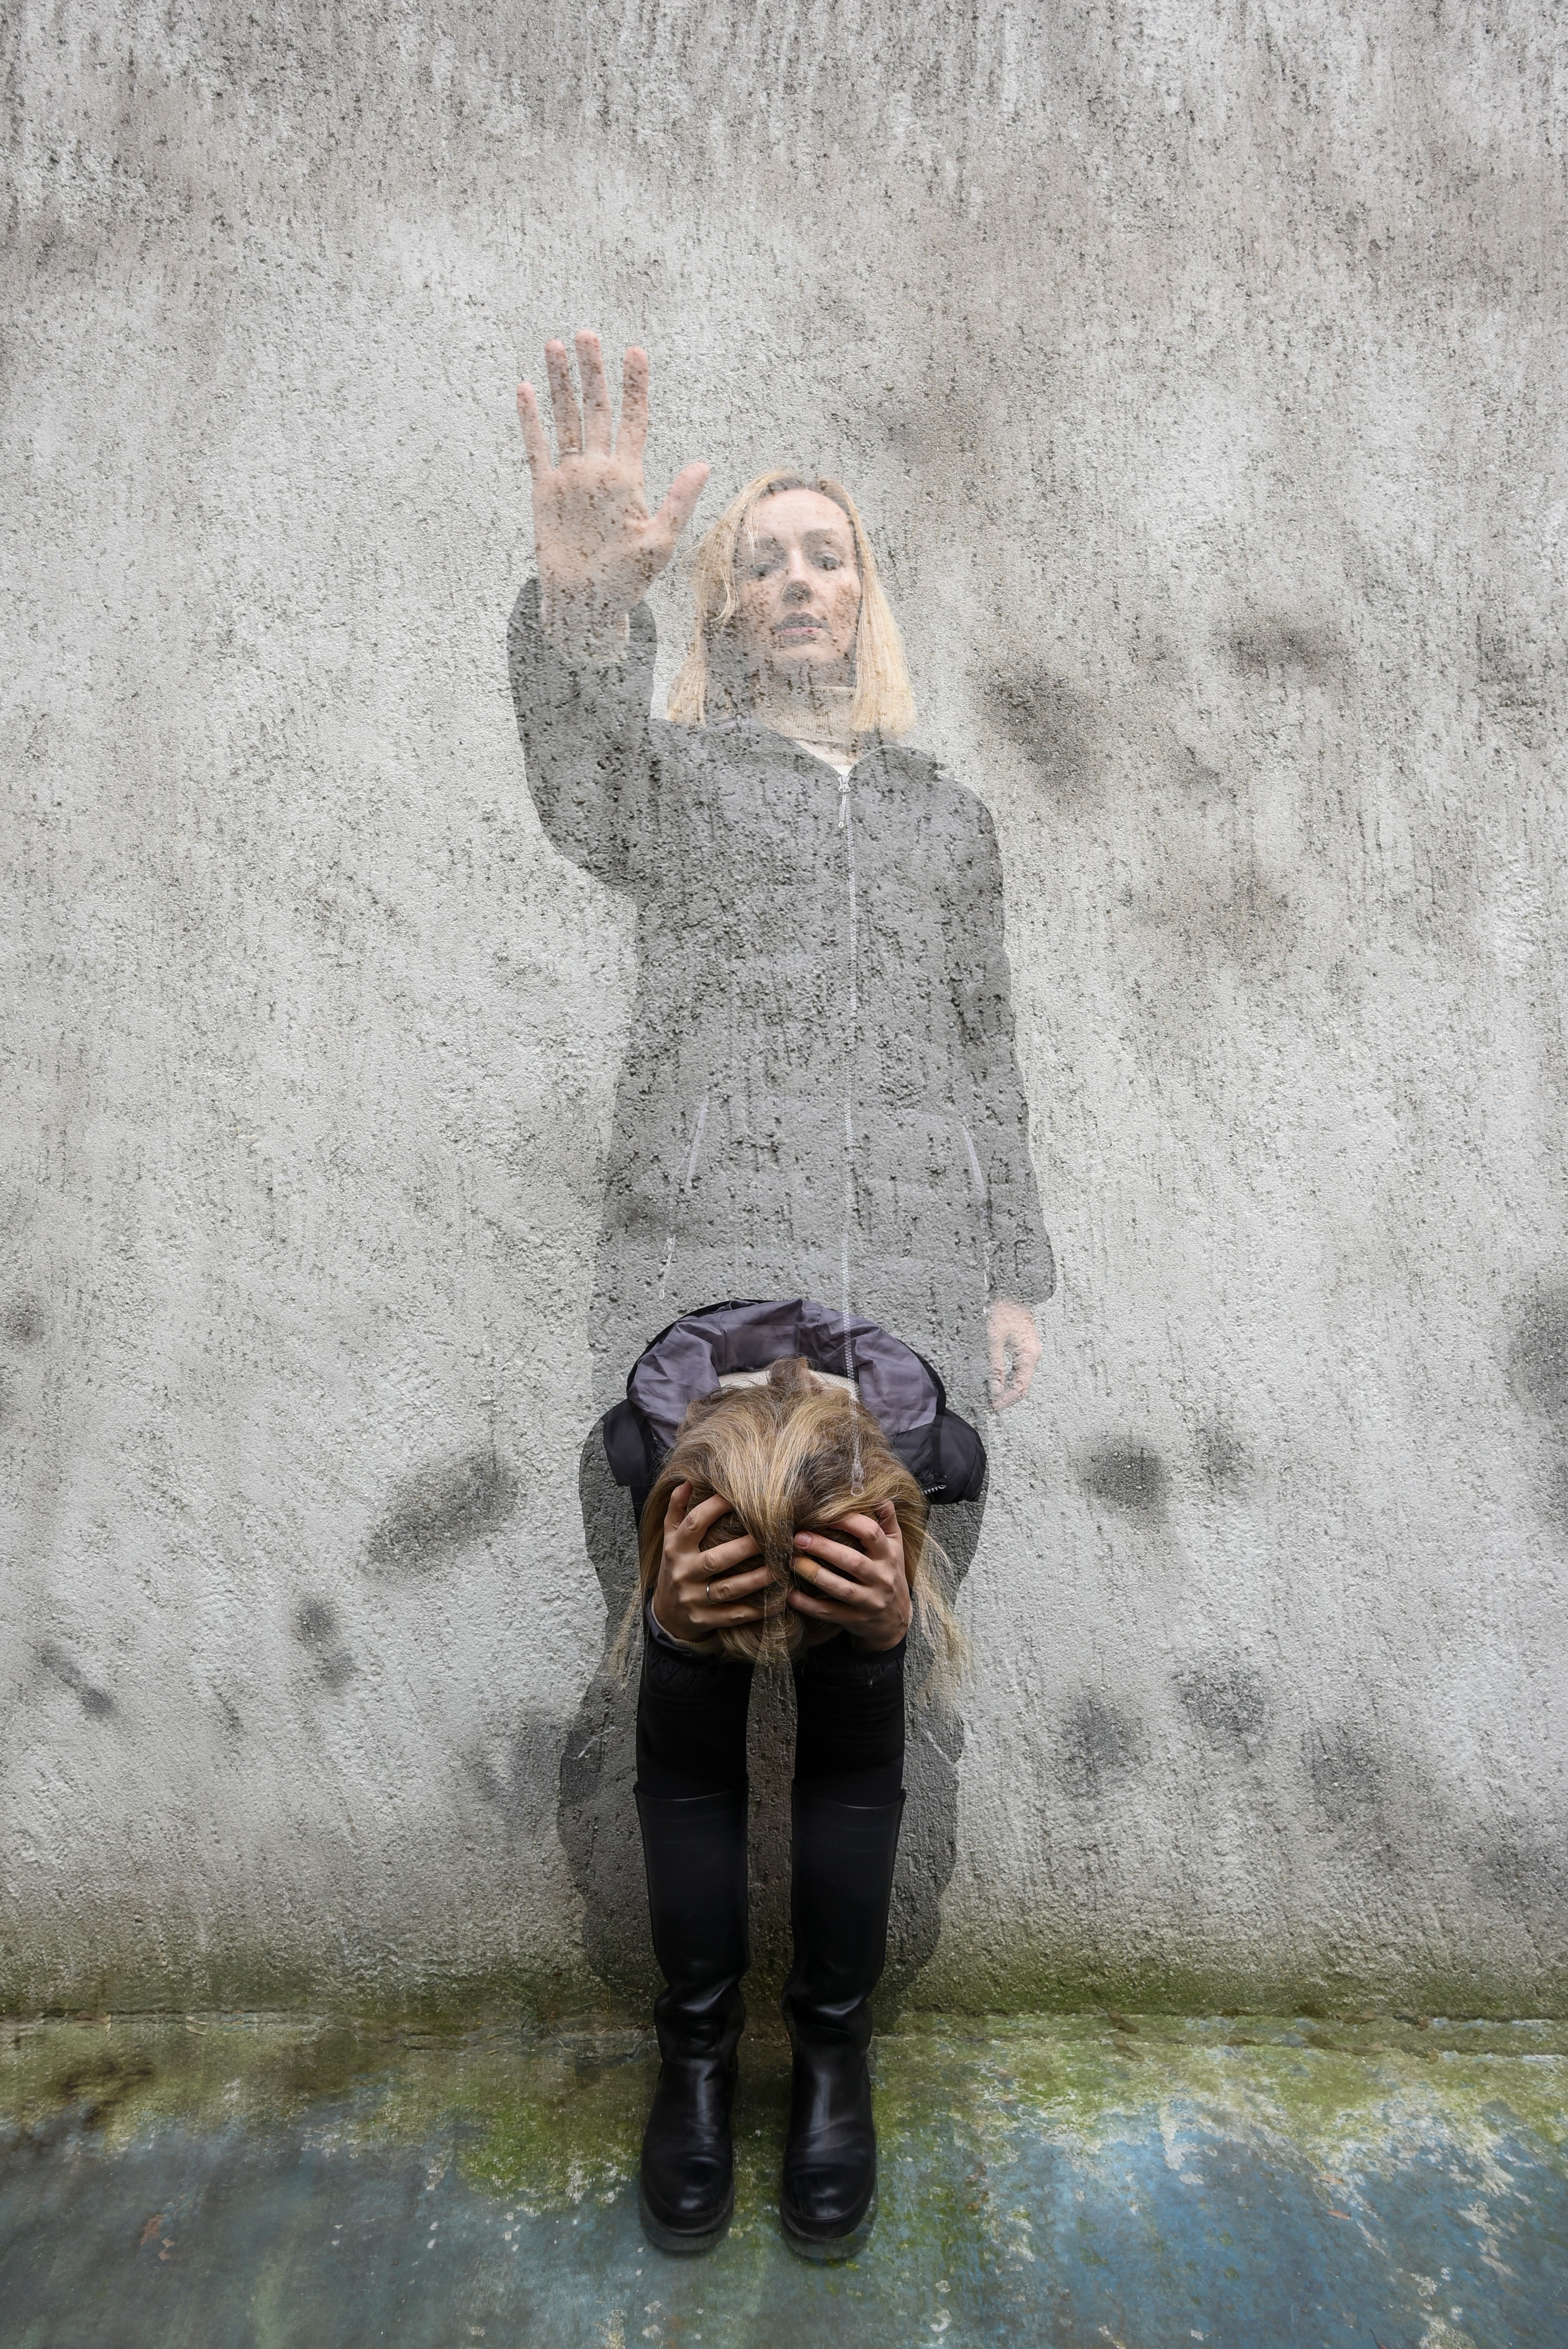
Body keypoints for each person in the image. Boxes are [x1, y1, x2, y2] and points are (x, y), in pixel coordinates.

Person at [508, 333, 1055, 2255]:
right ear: (726, 608)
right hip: (694, 1297)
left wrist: (1014, 1272)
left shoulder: (946, 824)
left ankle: (834, 2058)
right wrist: (584, 602)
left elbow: (985, 1049)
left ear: (867, 600)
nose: (800, 578)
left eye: (829, 553)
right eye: (764, 556)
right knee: (678, 1645)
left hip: (904, 1294)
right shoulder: (675, 790)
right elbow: (577, 780)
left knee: (867, 1662)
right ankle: (684, 2049)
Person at [608, 1299, 974, 2259]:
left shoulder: (922, 1454)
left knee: (856, 1696)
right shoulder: (653, 1450)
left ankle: (832, 2053)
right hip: (723, 1470)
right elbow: (687, 1775)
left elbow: (853, 1772)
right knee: (687, 1686)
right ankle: (695, 2051)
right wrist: (675, 1638)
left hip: (843, 1482)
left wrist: (881, 1642)